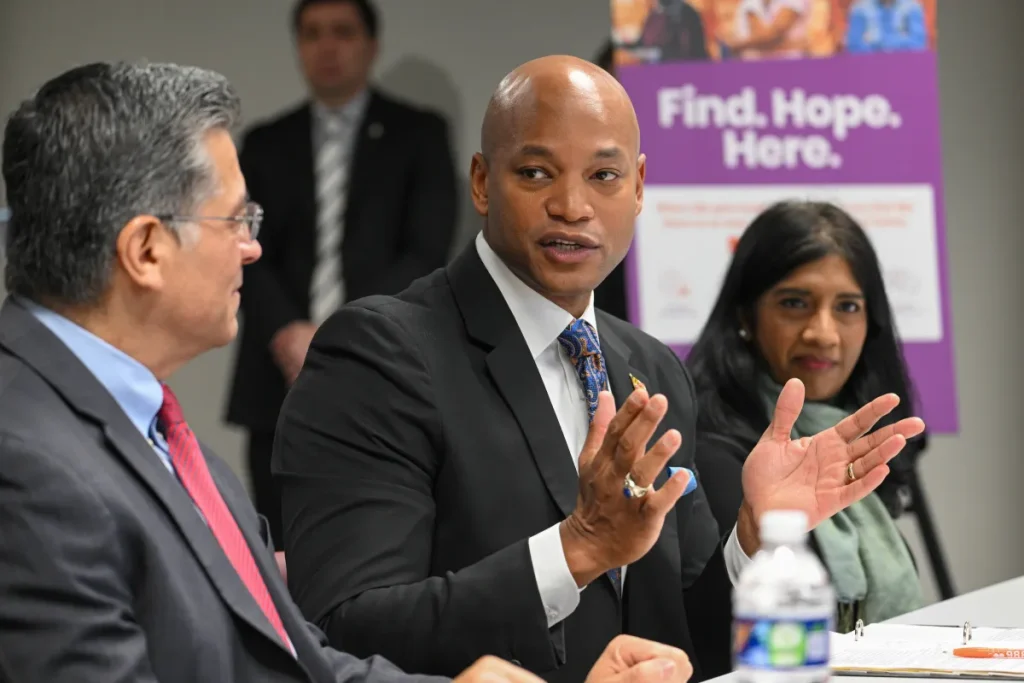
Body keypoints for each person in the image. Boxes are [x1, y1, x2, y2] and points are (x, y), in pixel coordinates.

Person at [0, 59, 694, 683]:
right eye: (235, 218)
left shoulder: (173, 447)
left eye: (603, 175)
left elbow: (297, 661)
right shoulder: (28, 464)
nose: (252, 247)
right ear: (147, 249)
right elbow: (341, 624)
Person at [273, 55, 925, 683]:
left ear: (639, 186)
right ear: (481, 181)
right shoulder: (378, 352)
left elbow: (677, 625)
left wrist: (752, 541)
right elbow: (343, 629)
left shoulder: (652, 368)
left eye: (603, 177)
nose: (573, 206)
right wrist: (575, 549)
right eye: (535, 173)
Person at [224, 0, 458, 542]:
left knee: (373, 542)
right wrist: (288, 334)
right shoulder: (264, 142)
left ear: (371, 45)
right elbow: (241, 247)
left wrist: (334, 335)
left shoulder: (418, 134)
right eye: (312, 34)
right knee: (281, 548)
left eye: (343, 32)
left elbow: (424, 253)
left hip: (381, 367)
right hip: (277, 376)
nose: (327, 47)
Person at [687, 200, 927, 634]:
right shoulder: (710, 457)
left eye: (848, 307)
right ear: (746, 316)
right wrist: (754, 536)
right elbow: (698, 630)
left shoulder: (864, 442)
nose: (823, 333)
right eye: (795, 303)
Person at [721, 0, 810, 60]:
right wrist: (792, 44)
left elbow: (770, 36)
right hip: (754, 67)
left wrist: (737, 45)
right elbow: (764, 37)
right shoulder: (751, 2)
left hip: (789, 67)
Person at [844, 0, 927, 53]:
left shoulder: (912, 7)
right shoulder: (860, 8)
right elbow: (854, 46)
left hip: (904, 66)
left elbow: (918, 44)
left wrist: (876, 43)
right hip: (868, 67)